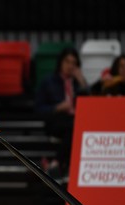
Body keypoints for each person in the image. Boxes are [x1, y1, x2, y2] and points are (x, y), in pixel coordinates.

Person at [35, 47, 88, 184]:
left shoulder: (78, 83)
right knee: (73, 126)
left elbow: (90, 104)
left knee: (75, 126)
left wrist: (82, 82)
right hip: (55, 122)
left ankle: (56, 163)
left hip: (76, 123)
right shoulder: (48, 82)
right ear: (60, 63)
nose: (70, 66)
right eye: (67, 61)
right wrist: (57, 108)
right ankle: (62, 165)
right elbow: (39, 109)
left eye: (74, 63)